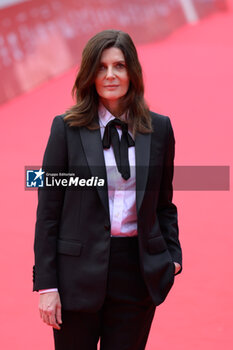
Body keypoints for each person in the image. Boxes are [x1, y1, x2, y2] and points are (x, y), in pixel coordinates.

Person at [33, 29, 182, 350]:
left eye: (119, 65)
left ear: (132, 72)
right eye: (101, 67)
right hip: (76, 274)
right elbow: (48, 212)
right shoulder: (66, 129)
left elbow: (164, 203)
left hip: (137, 273)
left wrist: (172, 256)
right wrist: (47, 286)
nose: (110, 75)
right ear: (89, 74)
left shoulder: (159, 129)